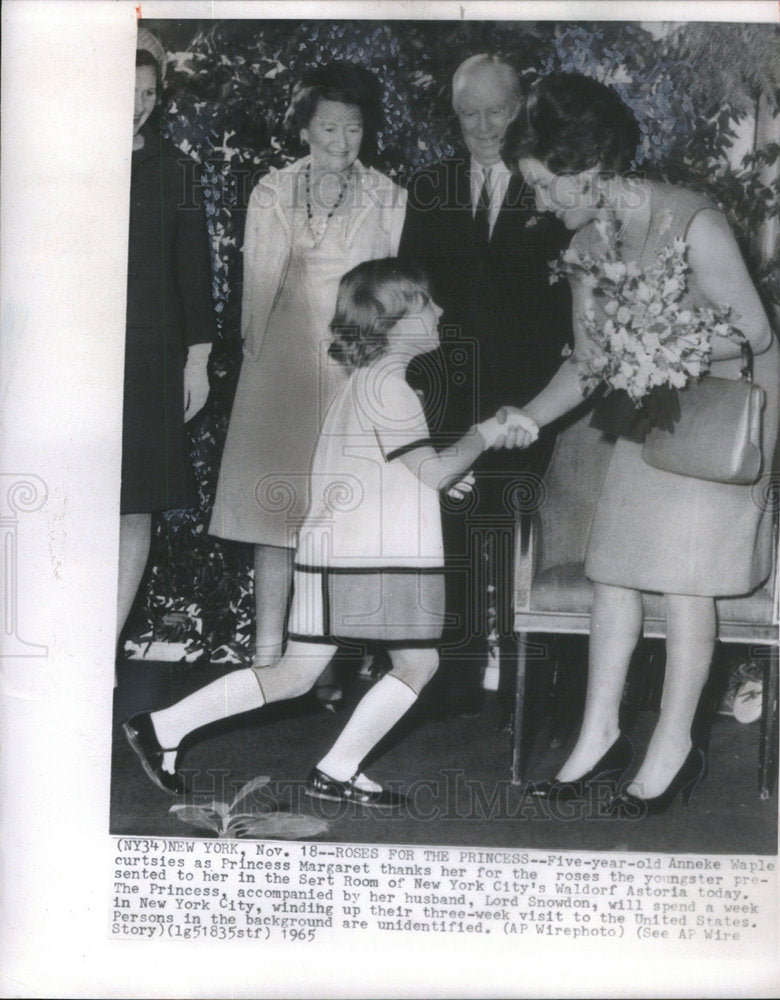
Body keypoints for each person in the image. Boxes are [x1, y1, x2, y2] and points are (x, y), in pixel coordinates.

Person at [124, 259, 537, 804]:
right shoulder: (392, 388)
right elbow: (430, 470)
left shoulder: (368, 382)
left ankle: (162, 729)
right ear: (393, 319)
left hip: (333, 550)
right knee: (419, 662)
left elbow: (396, 468)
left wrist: (440, 476)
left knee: (295, 674)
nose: (440, 311)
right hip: (373, 556)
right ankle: (336, 769)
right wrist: (485, 432)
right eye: (427, 303)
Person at [501, 72, 779, 813]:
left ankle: (673, 745)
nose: (538, 202)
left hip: (721, 415)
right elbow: (590, 362)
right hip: (649, 406)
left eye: (545, 185)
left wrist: (659, 343)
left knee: (683, 584)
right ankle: (598, 736)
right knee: (615, 572)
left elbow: (754, 334)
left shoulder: (693, 222)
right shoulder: (586, 241)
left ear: (589, 169)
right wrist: (526, 415)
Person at [209, 63, 406, 710]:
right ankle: (267, 657)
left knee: (340, 518)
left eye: (353, 128)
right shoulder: (270, 190)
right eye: (328, 127)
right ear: (304, 127)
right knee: (274, 516)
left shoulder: (387, 195)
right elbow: (254, 291)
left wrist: (383, 371)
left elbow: (395, 296)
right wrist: (252, 362)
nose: (341, 141)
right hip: (282, 370)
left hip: (351, 368)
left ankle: (328, 666)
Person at [399, 54, 573, 717]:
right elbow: (411, 292)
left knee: (523, 533)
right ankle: (458, 673)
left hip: (534, 396)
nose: (481, 126)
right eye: (467, 114)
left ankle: (533, 684)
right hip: (448, 386)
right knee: (452, 529)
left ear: (520, 106)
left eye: (495, 111)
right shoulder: (430, 184)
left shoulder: (551, 185)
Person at [118, 30, 214, 646]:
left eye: (148, 93)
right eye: (126, 92)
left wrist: (197, 361)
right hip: (71, 364)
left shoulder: (177, 171)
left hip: (149, 359)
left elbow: (194, 275)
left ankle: (101, 650)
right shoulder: (53, 161)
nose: (137, 105)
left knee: (134, 505)